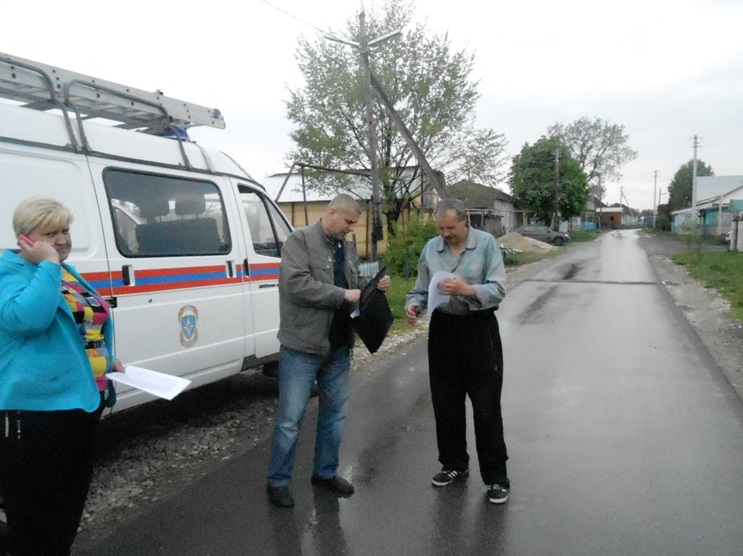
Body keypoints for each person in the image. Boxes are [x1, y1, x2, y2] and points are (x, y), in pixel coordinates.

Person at [0, 197, 124, 555]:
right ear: (25, 238)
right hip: (35, 414)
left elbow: (84, 328)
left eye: (65, 230)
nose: (62, 240)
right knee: (35, 520)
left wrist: (108, 359)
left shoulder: (62, 271)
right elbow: (28, 320)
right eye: (50, 233)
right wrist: (50, 265)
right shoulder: (14, 272)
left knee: (65, 509)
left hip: (80, 405)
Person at [266, 194, 390, 508]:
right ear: (332, 212)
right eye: (349, 222)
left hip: (338, 345)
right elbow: (295, 284)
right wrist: (343, 294)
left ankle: (325, 473)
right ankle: (278, 480)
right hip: (302, 346)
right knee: (290, 419)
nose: (351, 229)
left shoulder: (346, 246)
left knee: (334, 416)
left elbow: (353, 280)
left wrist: (371, 284)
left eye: (354, 224)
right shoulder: (299, 241)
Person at [405, 198, 510, 504]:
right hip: (443, 331)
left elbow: (499, 288)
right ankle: (453, 464)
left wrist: (467, 290)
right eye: (441, 228)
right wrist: (413, 305)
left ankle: (496, 477)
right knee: (445, 402)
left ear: (465, 221)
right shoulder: (431, 248)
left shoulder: (487, 244)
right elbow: (420, 289)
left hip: (479, 329)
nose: (446, 233)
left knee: (486, 405)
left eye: (451, 227)